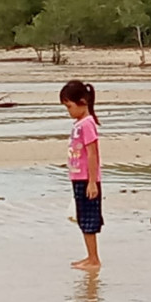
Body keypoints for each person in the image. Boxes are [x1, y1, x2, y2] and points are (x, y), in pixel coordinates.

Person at [60, 80, 104, 270]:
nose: (68, 111)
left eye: (69, 106)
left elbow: (93, 153)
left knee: (89, 219)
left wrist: (92, 182)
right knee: (82, 217)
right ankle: (90, 256)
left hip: (87, 179)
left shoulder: (87, 124)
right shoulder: (79, 124)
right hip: (79, 178)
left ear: (82, 102)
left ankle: (94, 259)